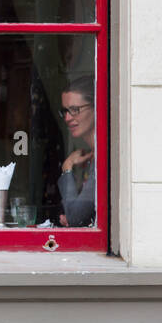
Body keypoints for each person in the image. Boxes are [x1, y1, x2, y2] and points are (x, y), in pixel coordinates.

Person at [58, 75, 96, 227]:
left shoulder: (102, 157)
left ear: (95, 107)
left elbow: (76, 218)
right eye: (65, 111)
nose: (67, 118)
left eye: (75, 110)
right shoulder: (91, 155)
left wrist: (67, 168)